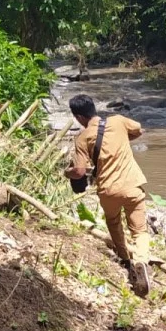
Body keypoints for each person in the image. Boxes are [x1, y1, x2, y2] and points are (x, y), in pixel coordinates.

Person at [63, 95, 152, 296]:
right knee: (139, 230)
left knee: (113, 223)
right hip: (132, 185)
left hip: (108, 190)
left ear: (78, 117)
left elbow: (79, 171)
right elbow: (139, 129)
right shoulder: (119, 121)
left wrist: (66, 173)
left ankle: (125, 259)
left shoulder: (83, 138)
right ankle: (141, 259)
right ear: (94, 108)